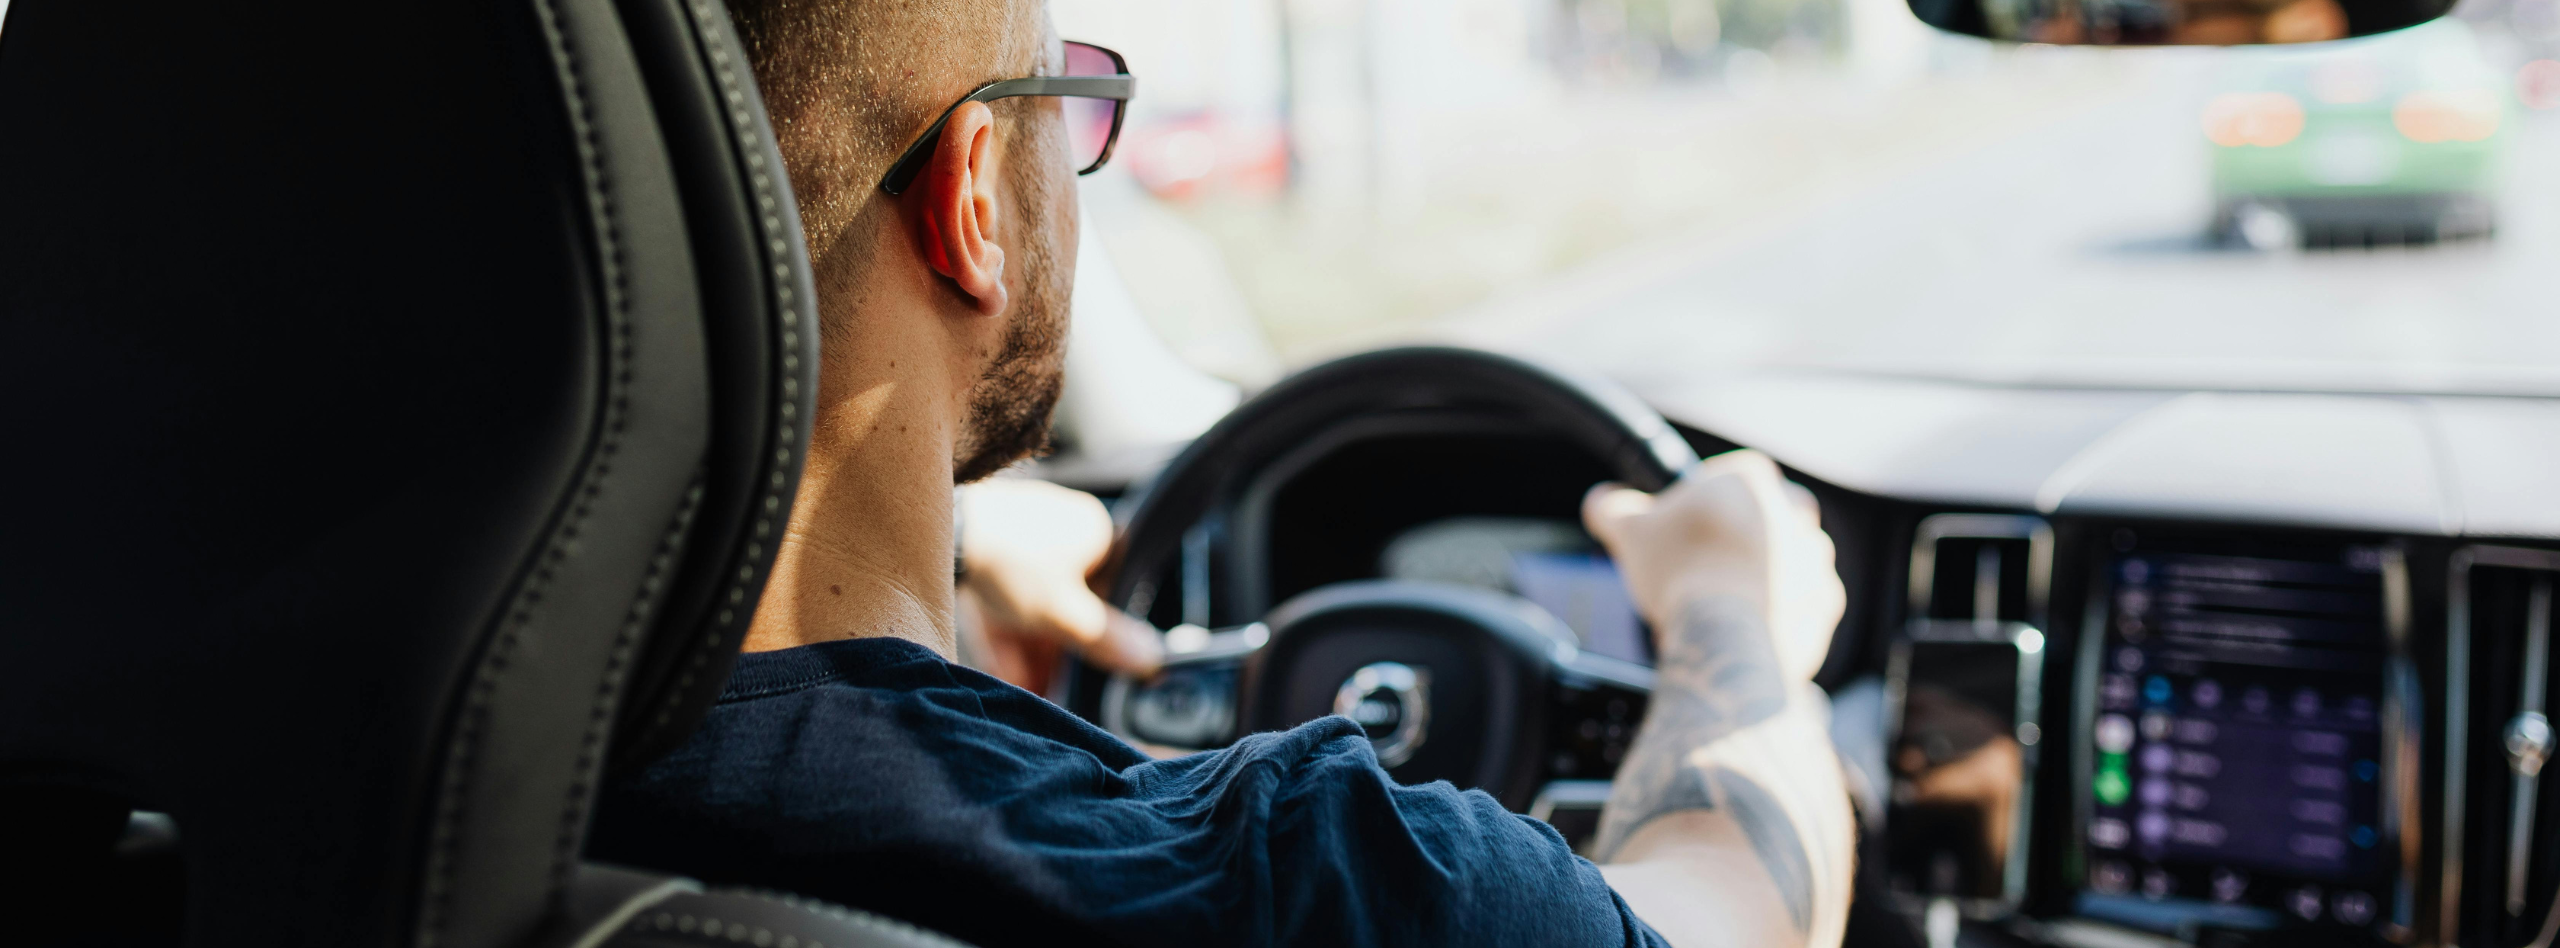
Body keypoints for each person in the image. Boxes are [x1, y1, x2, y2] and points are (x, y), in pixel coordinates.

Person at [585, 1, 1856, 945]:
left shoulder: (442, 762)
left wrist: (951, 559)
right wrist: (1730, 619)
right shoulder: (1296, 884)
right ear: (972, 200)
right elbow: (1742, 904)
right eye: (1066, 100)